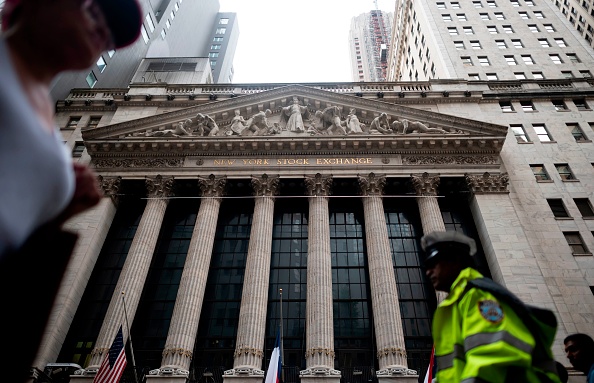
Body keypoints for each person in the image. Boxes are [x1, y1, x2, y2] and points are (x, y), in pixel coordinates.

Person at [0, 0, 142, 381]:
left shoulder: (44, 115)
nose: (102, 32)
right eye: (93, 8)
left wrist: (60, 209)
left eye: (112, 34)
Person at [421, 231, 561, 383]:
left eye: (433, 264)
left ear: (455, 261)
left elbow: (492, 359)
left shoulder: (478, 296)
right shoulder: (458, 303)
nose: (428, 272)